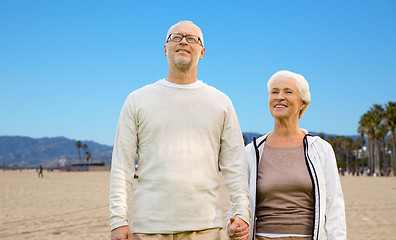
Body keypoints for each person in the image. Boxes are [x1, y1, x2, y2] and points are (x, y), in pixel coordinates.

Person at [110, 20, 251, 240]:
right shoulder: (137, 100)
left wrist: (242, 212)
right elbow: (122, 166)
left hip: (205, 227)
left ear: (202, 52)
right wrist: (118, 220)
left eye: (192, 38)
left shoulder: (221, 102)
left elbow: (235, 165)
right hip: (149, 227)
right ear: (165, 49)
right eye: (175, 37)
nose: (183, 41)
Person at [228, 70, 346, 240]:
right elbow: (237, 201)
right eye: (274, 92)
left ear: (303, 103)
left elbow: (334, 208)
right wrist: (233, 226)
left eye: (288, 92)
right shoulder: (252, 151)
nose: (279, 97)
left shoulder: (321, 149)